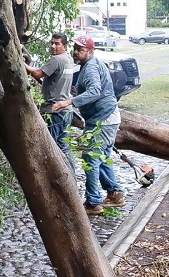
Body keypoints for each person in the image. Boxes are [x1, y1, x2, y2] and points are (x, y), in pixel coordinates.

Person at [52, 35, 125, 215]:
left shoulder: (91, 67)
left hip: (103, 120)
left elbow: (94, 91)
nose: (77, 52)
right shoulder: (89, 65)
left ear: (90, 52)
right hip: (106, 118)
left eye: (81, 50)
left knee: (90, 159)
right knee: (102, 156)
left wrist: (67, 102)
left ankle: (93, 202)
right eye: (75, 48)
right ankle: (115, 194)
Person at [25, 33, 76, 174]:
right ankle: (71, 176)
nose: (53, 46)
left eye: (57, 44)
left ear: (64, 46)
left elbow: (37, 74)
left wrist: (21, 63)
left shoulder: (57, 60)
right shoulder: (68, 59)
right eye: (52, 43)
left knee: (49, 148)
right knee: (63, 146)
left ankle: (51, 176)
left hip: (55, 110)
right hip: (66, 111)